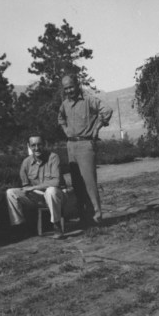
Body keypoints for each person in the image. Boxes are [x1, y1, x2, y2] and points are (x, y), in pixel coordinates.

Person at [58, 74, 113, 225]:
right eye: (66, 88)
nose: (69, 90)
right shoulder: (65, 104)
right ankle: (84, 215)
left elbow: (107, 110)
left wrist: (96, 129)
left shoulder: (88, 99)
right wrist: (66, 132)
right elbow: (61, 119)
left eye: (71, 87)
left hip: (85, 145)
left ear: (77, 85)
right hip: (71, 146)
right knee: (76, 183)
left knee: (89, 182)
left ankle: (97, 215)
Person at [6, 134, 66, 239]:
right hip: (38, 197)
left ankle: (56, 226)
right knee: (10, 192)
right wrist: (30, 190)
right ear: (29, 146)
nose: (37, 148)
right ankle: (20, 227)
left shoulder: (53, 157)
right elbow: (25, 186)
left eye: (40, 144)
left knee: (51, 191)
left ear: (45, 144)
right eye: (33, 145)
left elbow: (56, 182)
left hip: (57, 196)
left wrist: (33, 188)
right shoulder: (26, 162)